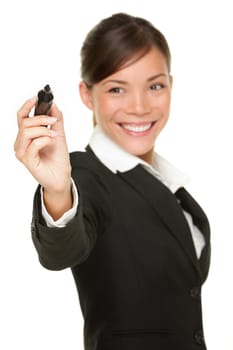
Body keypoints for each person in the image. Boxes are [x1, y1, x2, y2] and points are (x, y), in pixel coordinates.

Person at [14, 12, 211, 350]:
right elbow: (61, 251)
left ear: (171, 86)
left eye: (155, 85)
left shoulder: (170, 184)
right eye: (117, 88)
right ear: (88, 95)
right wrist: (58, 190)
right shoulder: (87, 176)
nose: (139, 106)